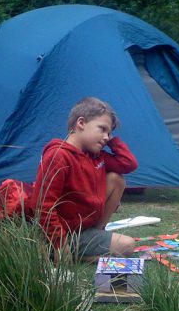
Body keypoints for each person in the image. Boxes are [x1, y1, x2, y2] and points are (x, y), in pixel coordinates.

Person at [31, 97, 138, 259]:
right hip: (63, 232)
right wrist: (60, 243)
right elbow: (43, 205)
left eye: (109, 133)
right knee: (127, 245)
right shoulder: (58, 155)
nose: (106, 137)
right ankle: (55, 250)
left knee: (116, 179)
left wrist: (113, 142)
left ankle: (96, 235)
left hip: (84, 227)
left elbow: (129, 164)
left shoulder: (96, 156)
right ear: (81, 123)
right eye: (102, 129)